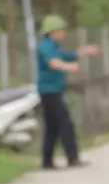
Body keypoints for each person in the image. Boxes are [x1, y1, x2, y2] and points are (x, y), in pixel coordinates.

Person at [34, 14, 93, 170]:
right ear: (53, 31)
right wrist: (69, 67)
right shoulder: (46, 47)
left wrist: (83, 52)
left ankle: (47, 161)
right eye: (61, 30)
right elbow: (53, 63)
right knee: (65, 124)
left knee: (52, 127)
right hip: (49, 91)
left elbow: (66, 56)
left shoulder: (54, 47)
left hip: (53, 91)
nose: (64, 33)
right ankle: (72, 158)